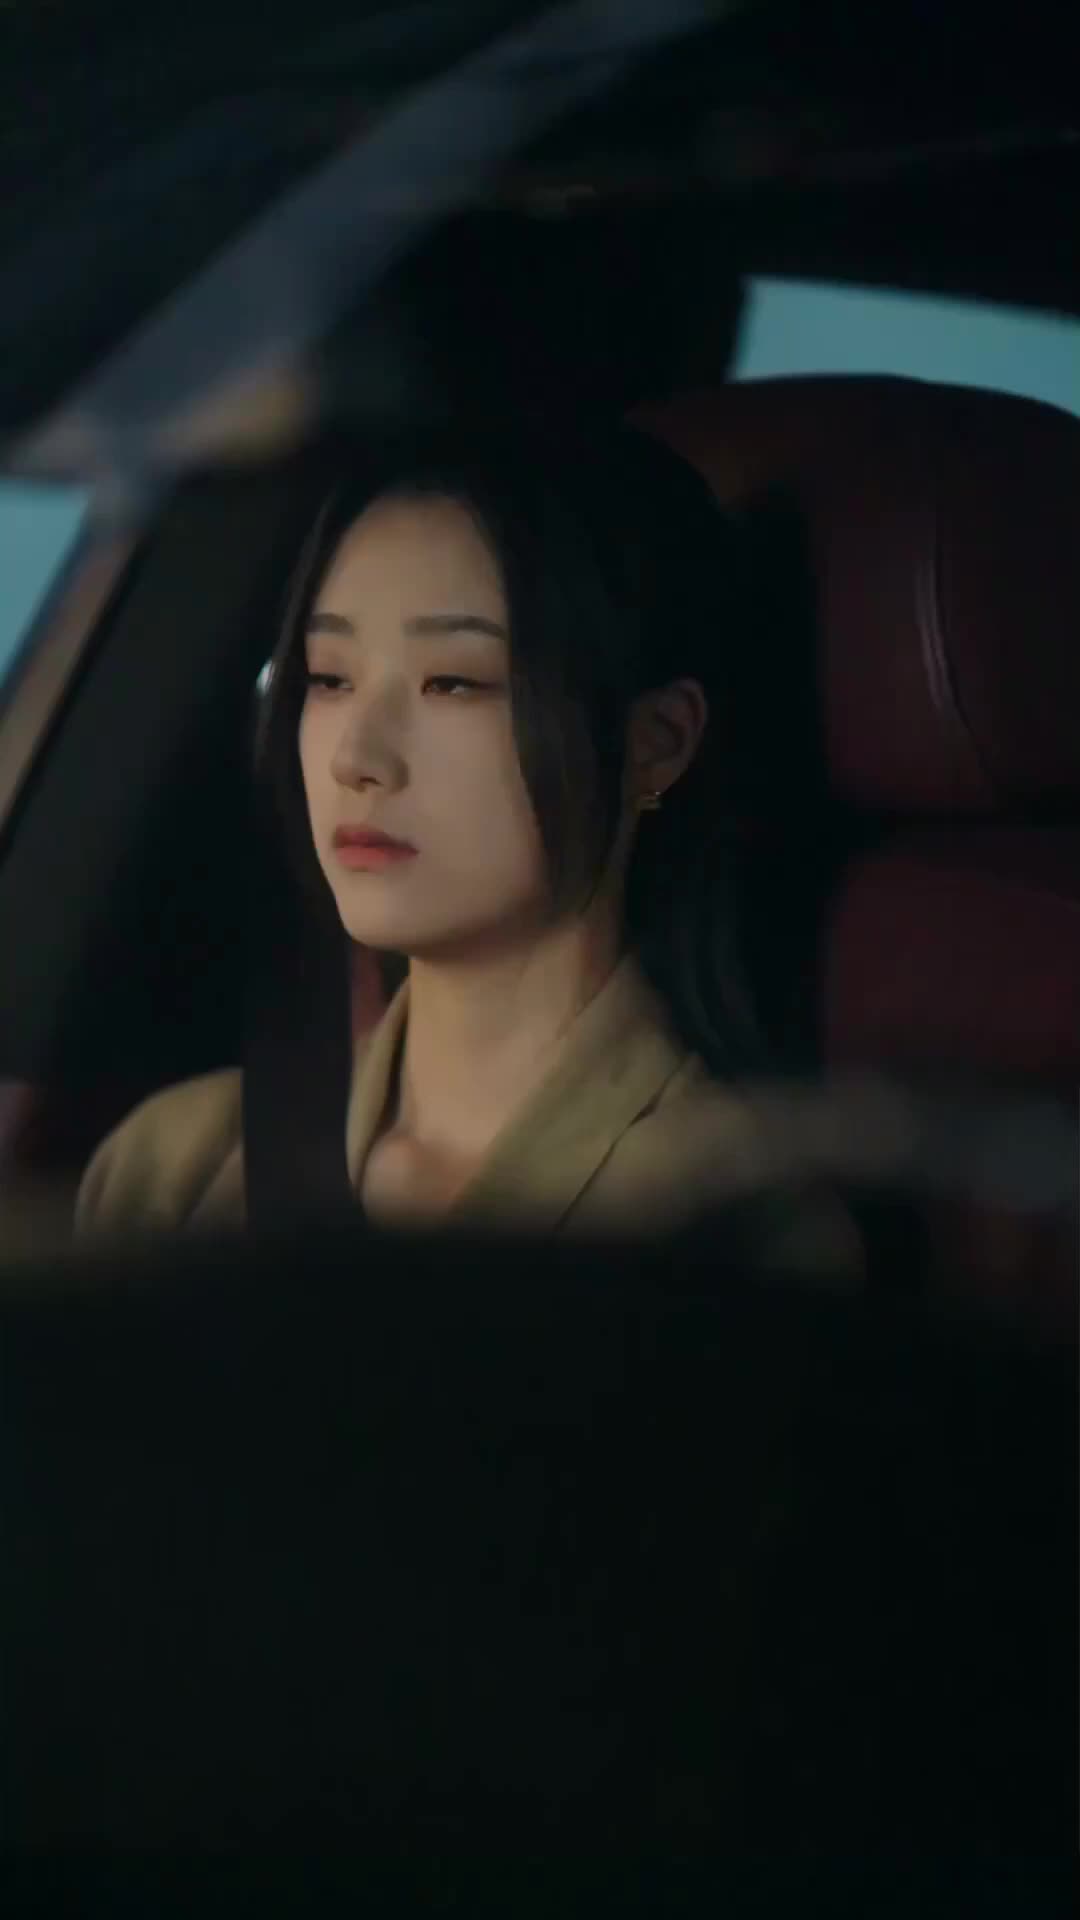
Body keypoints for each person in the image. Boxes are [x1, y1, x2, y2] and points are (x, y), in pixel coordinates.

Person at [76, 422, 857, 1268]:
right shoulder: (172, 1165)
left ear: (655, 743)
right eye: (330, 677)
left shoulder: (721, 1220)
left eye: (454, 682)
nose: (356, 758)